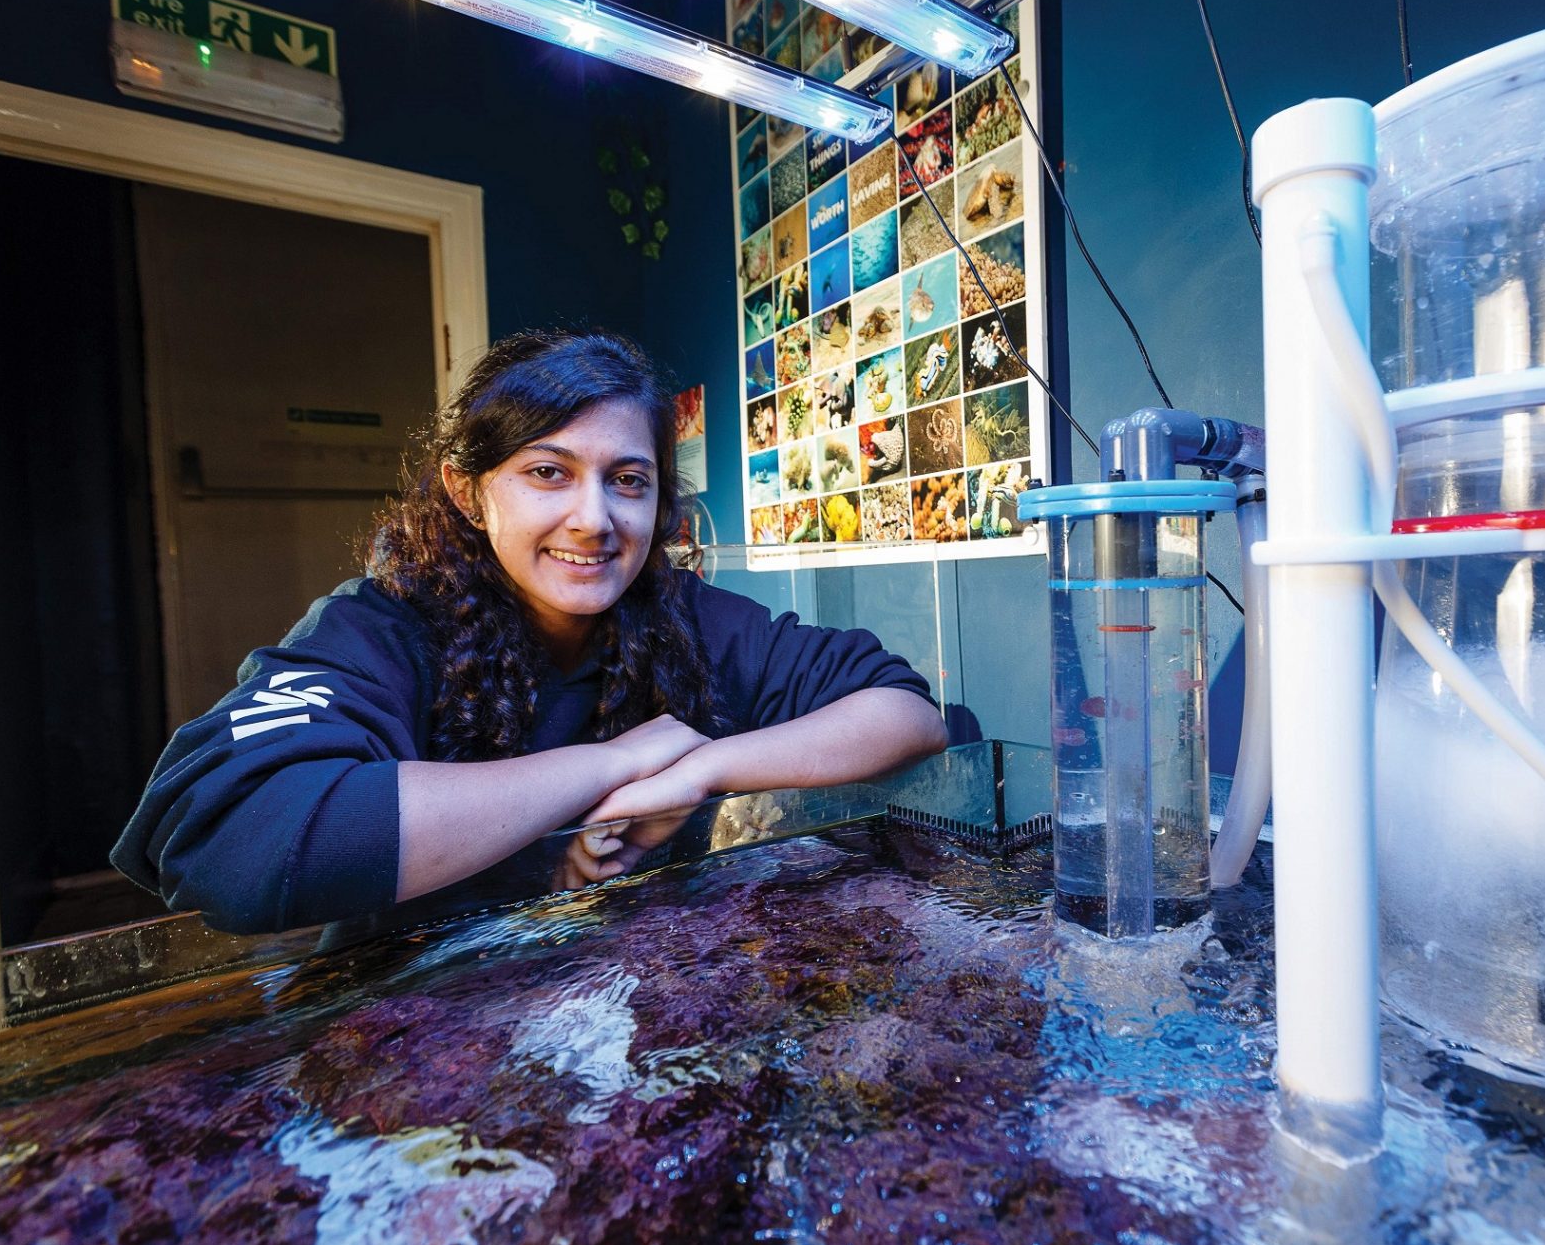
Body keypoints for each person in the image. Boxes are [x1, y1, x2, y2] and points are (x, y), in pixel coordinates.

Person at [113, 330, 948, 934]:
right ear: (469, 491)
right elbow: (230, 838)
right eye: (548, 473)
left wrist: (700, 771)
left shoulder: (685, 614)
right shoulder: (381, 629)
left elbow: (907, 712)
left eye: (628, 480)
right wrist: (610, 765)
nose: (594, 518)